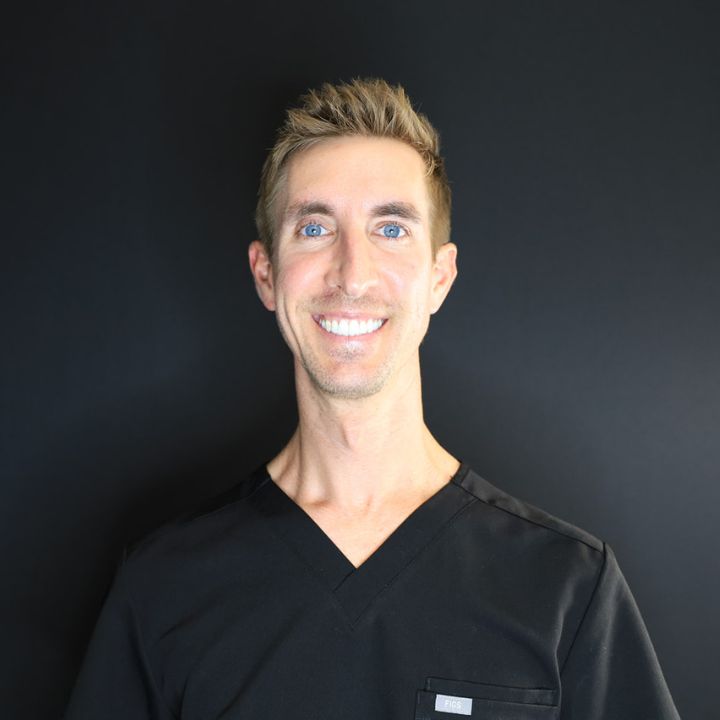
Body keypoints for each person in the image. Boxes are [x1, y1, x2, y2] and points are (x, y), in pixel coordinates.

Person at [65, 78, 680, 719]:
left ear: (439, 277)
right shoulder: (164, 586)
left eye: (390, 229)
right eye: (313, 228)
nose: (352, 274)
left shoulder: (567, 586)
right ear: (266, 274)